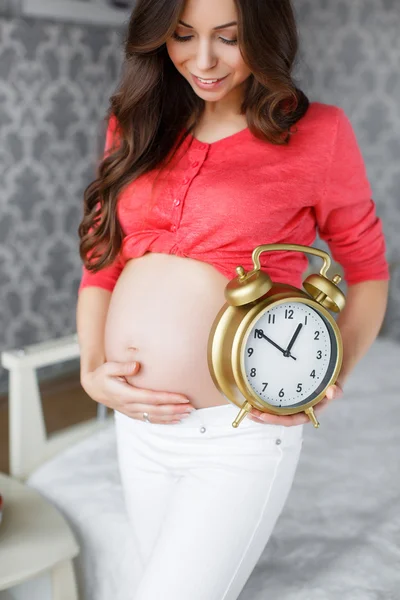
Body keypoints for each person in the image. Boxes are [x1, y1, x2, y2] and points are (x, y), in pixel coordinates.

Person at [76, 0, 389, 598]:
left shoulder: (319, 133)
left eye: (228, 38)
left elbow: (369, 273)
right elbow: (101, 264)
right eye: (182, 36)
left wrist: (329, 374)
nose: (203, 60)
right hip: (138, 428)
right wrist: (93, 369)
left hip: (238, 434)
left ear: (264, 34)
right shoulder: (134, 122)